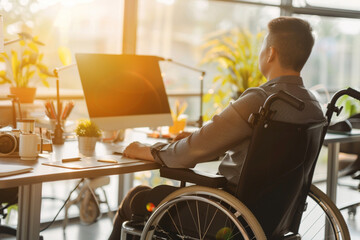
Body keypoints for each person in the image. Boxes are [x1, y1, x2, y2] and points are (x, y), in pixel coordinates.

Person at [108, 16, 325, 239]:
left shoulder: (261, 101)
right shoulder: (313, 106)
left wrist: (148, 149)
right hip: (275, 219)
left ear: (270, 53)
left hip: (226, 218)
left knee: (137, 198)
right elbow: (264, 153)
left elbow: (187, 153)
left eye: (263, 46)